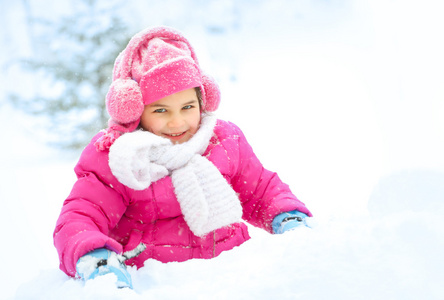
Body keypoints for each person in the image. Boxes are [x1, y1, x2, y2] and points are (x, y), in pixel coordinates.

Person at [53, 26, 313, 289]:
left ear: (203, 100)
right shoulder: (120, 159)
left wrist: (287, 216)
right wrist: (96, 260)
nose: (177, 122)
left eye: (187, 107)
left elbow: (261, 189)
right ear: (134, 111)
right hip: (159, 286)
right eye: (161, 110)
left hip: (233, 279)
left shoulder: (223, 140)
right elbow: (80, 217)